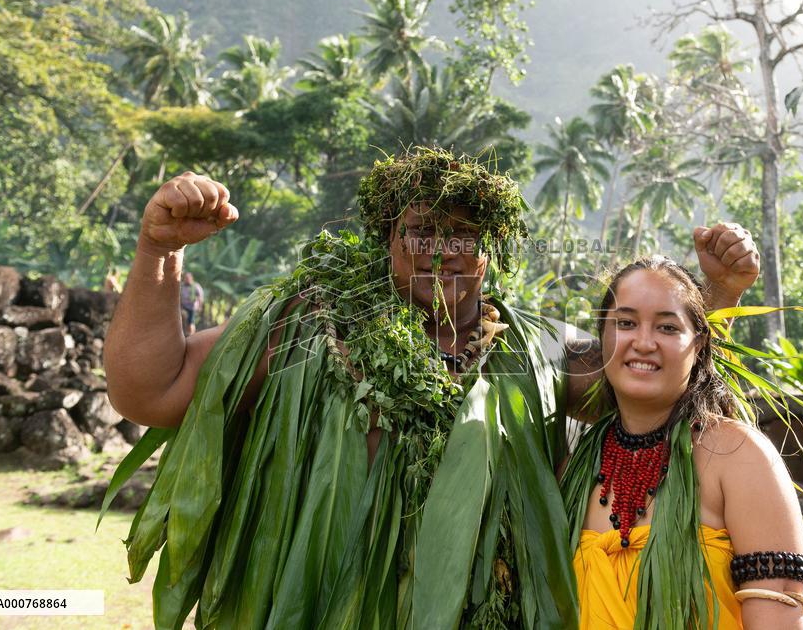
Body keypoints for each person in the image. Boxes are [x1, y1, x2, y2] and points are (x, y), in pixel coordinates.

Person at [103, 150, 761, 628]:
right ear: (386, 238)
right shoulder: (304, 329)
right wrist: (160, 252)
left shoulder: (539, 352)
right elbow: (150, 391)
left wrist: (715, 296)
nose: (440, 250)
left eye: (462, 235)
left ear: (490, 251)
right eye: (420, 230)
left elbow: (662, 381)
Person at [562, 257, 803, 629]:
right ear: (602, 338)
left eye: (667, 327)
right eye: (626, 323)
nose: (643, 343)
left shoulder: (738, 457)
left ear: (698, 345)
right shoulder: (573, 470)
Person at [179, 271, 204, 335]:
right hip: (183, 306)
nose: (187, 279)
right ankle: (184, 333)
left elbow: (200, 297)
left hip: (192, 307)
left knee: (191, 322)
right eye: (186, 278)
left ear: (191, 278)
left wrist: (200, 306)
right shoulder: (182, 286)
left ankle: (191, 334)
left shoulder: (196, 286)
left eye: (188, 277)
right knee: (182, 318)